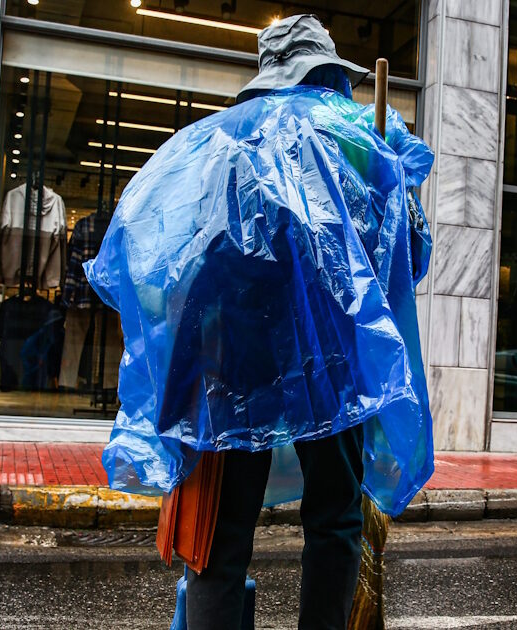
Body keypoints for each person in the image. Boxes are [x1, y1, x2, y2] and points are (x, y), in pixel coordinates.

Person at [85, 14, 435, 630]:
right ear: (327, 72)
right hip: (330, 354)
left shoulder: (215, 141)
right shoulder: (357, 135)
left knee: (222, 527)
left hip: (231, 352)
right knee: (335, 516)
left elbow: (179, 251)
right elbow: (409, 256)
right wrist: (392, 181)